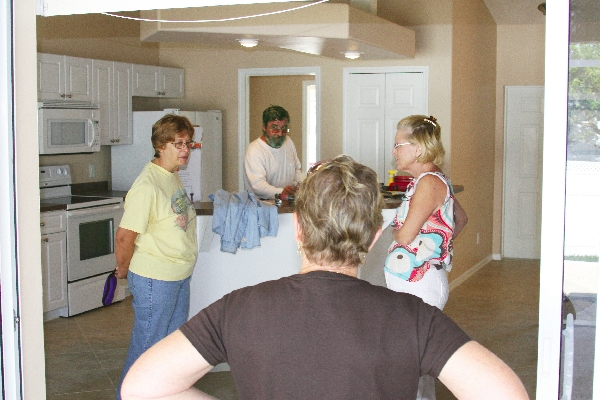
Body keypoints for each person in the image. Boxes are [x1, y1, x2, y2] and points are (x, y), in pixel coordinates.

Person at [121, 155, 528, 400]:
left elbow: (141, 387)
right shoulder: (414, 317)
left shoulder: (237, 309)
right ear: (372, 240)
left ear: (298, 229)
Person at [114, 114, 199, 400]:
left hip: (177, 274)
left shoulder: (171, 174)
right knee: (147, 349)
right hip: (155, 279)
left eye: (188, 143)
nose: (185, 149)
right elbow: (125, 236)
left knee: (168, 349)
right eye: (179, 143)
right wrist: (123, 268)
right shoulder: (147, 186)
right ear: (161, 145)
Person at [384, 115, 468, 400]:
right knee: (414, 362)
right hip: (417, 284)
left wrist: (403, 238)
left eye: (398, 145)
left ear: (418, 148)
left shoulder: (429, 182)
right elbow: (461, 218)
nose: (393, 151)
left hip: (421, 285)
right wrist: (437, 243)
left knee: (412, 363)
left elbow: (405, 236)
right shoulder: (427, 180)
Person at [243, 105, 302, 199]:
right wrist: (282, 192)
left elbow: (297, 169)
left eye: (284, 128)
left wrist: (300, 185)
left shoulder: (288, 142)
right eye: (274, 128)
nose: (280, 133)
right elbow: (258, 185)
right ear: (264, 127)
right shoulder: (254, 150)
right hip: (262, 207)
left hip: (286, 204)